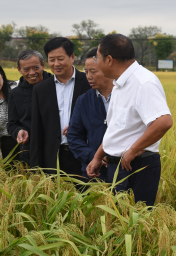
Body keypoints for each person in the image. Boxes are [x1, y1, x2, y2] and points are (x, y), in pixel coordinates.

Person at [86, 34, 173, 206]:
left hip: (136, 166)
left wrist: (133, 150)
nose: (96, 61)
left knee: (136, 225)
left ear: (109, 60)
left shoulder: (143, 83)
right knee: (120, 222)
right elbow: (117, 128)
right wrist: (98, 157)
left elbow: (163, 122)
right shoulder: (120, 84)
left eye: (97, 57)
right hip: (118, 166)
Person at [31, 37, 91, 175]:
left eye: (60, 58)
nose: (56, 63)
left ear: (72, 57)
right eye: (52, 59)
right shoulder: (40, 90)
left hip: (84, 156)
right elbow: (36, 130)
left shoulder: (89, 84)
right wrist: (35, 168)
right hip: (52, 158)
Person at [67, 47, 113, 182]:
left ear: (108, 69)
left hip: (124, 168)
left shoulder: (124, 97)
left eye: (93, 71)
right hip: (94, 171)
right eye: (86, 72)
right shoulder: (84, 100)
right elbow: (73, 135)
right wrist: (93, 156)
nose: (88, 76)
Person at [7, 49, 51, 165]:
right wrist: (19, 131)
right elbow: (12, 124)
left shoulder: (56, 86)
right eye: (26, 69)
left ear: (43, 65)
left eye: (36, 68)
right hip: (30, 152)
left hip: (57, 150)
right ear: (19, 69)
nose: (32, 73)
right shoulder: (15, 94)